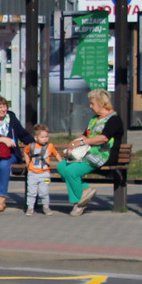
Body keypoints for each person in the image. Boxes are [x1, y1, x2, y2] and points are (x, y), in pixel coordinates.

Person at [56, 88, 125, 216]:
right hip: (88, 153)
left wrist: (81, 143)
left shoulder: (114, 119)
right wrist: (72, 143)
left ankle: (78, 203)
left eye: (92, 103)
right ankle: (85, 190)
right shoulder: (94, 119)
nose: (90, 106)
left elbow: (104, 138)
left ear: (102, 104)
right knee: (61, 166)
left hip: (103, 155)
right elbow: (85, 135)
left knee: (72, 171)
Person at [22, 123, 60, 216]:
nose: (45, 139)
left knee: (44, 191)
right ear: (36, 137)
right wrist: (27, 162)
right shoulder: (31, 146)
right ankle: (30, 207)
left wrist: (61, 163)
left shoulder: (49, 146)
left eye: (46, 136)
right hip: (32, 173)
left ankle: (46, 206)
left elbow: (56, 154)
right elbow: (25, 152)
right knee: (31, 192)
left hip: (45, 174)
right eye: (42, 137)